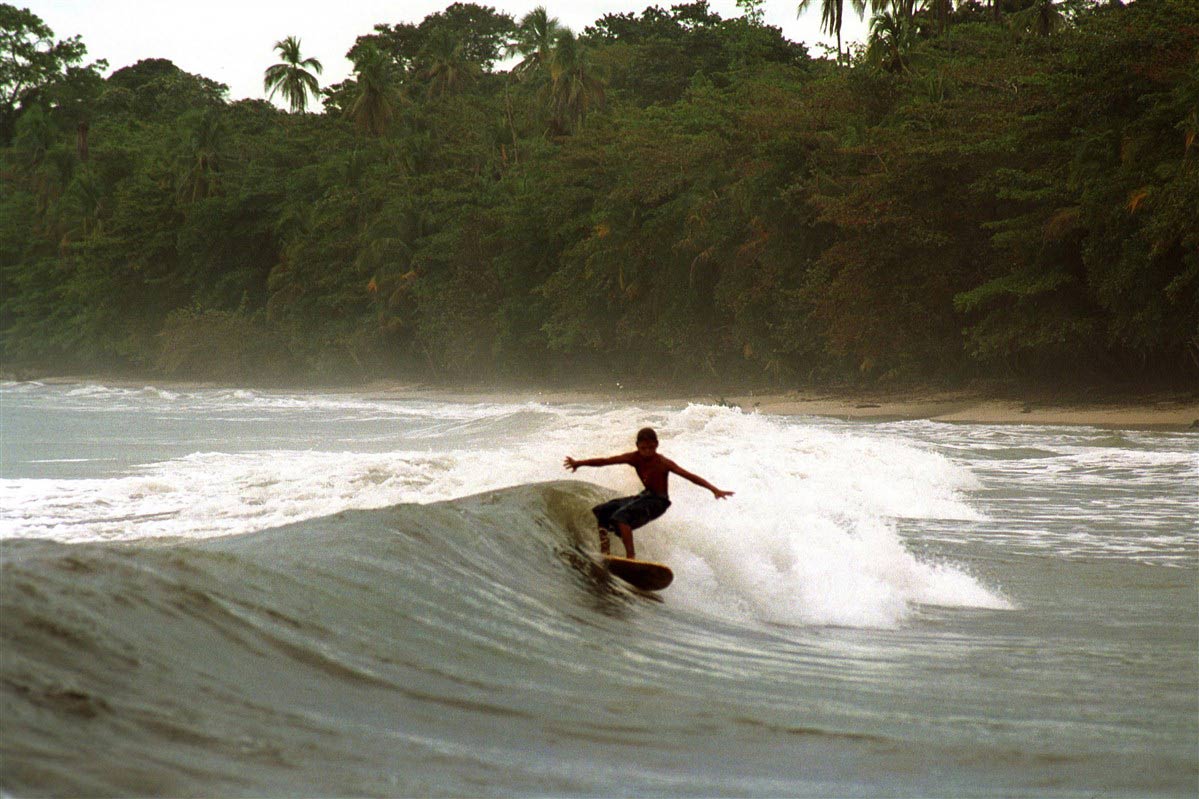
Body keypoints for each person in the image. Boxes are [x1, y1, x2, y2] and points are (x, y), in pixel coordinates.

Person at [563, 427, 733, 559]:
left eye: (651, 448)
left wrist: (714, 490)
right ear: (637, 446)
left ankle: (631, 558)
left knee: (621, 517)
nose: (647, 452)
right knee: (601, 511)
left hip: (659, 502)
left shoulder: (663, 463)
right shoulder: (634, 457)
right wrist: (579, 463)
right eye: (643, 448)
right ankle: (605, 552)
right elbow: (606, 461)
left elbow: (690, 476)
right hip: (645, 496)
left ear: (656, 445)